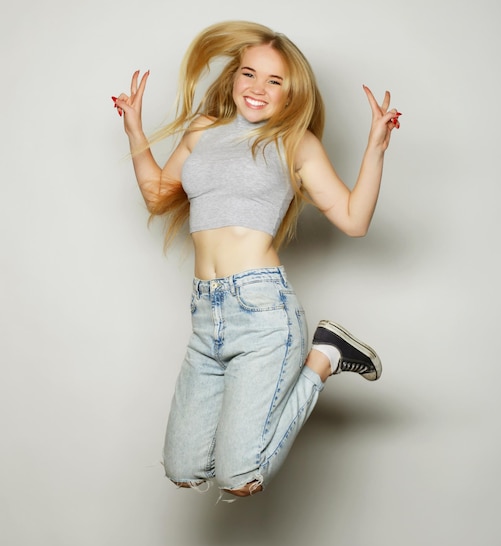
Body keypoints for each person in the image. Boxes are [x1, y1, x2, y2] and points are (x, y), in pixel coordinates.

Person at [113, 20, 400, 498]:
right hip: (207, 314)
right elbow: (159, 193)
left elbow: (353, 219)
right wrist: (134, 132)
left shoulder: (296, 142)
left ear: (291, 94)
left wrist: (375, 149)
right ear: (233, 77)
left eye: (275, 81)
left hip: (263, 312)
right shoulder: (203, 130)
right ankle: (320, 357)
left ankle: (325, 356)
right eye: (249, 74)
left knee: (240, 478)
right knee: (183, 469)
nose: (258, 89)